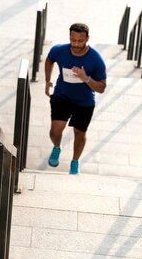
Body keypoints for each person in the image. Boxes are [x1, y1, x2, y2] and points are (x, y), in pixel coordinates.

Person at [44, 23, 107, 175]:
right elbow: (49, 60)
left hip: (84, 102)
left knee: (79, 134)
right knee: (55, 130)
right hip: (62, 95)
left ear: (87, 39)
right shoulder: (59, 50)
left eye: (80, 41)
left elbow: (102, 87)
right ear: (69, 37)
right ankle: (57, 147)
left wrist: (86, 78)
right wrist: (47, 80)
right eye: (73, 40)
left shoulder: (96, 60)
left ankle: (75, 161)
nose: (76, 44)